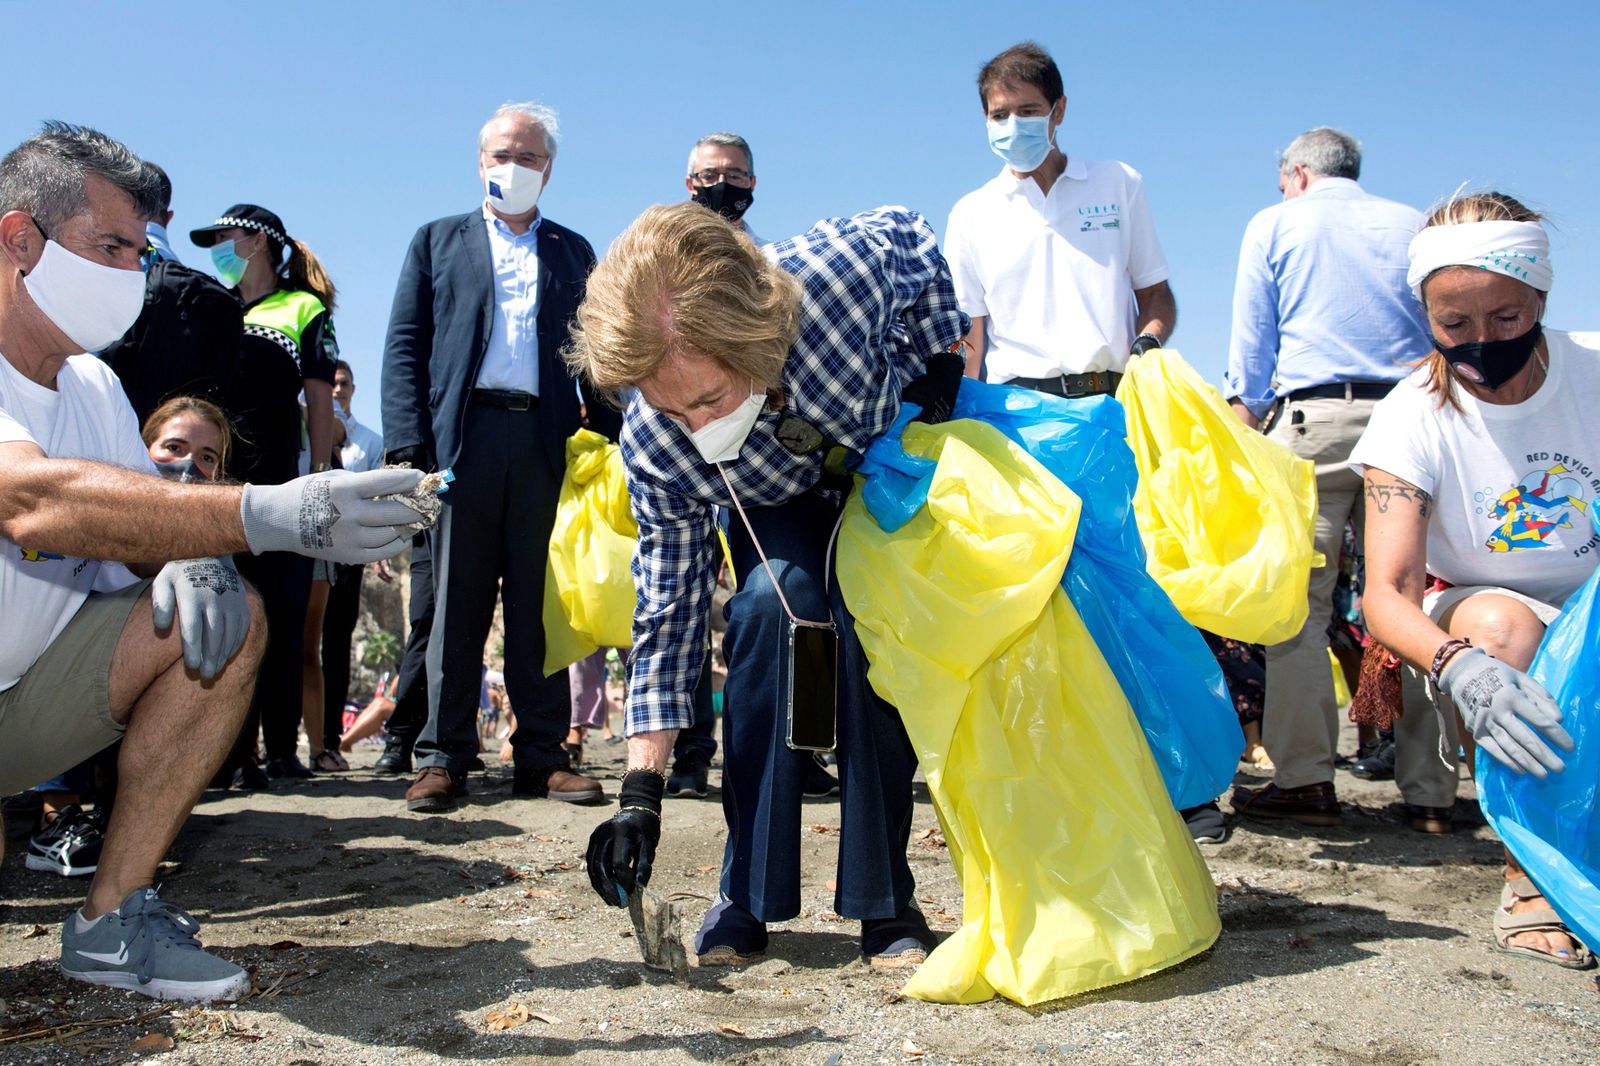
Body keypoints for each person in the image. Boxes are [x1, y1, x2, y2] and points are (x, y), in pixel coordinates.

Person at [0, 122, 425, 1001]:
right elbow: (27, 499)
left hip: (23, 704)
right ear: (19, 240)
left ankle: (112, 921)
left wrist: (186, 555)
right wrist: (269, 512)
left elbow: (135, 526)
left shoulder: (94, 386)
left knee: (225, 620)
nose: (134, 272)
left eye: (138, 248)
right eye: (111, 247)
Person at [570, 200, 967, 969]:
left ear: (755, 341)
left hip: (881, 467)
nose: (691, 425)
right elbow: (669, 610)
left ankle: (886, 902)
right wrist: (640, 795)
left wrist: (941, 358)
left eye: (709, 399)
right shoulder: (658, 446)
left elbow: (908, 232)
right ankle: (745, 892)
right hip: (771, 509)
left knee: (863, 626)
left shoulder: (841, 280)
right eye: (666, 405)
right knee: (764, 609)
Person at [1352, 191, 1594, 969]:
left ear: (1541, 300)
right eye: (1455, 326)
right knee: (1501, 632)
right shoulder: (1411, 416)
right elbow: (1385, 591)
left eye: (1507, 320)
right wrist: (1462, 668)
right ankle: (1529, 874)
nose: (1482, 343)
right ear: (1426, 315)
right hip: (1485, 608)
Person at [382, 101, 620, 812]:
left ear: (549, 168)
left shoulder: (574, 252)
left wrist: (607, 436)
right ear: (479, 161)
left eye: (528, 157)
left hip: (545, 441)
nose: (513, 168)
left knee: (539, 604)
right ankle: (441, 757)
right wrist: (406, 446)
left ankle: (542, 755)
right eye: (500, 155)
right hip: (461, 441)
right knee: (453, 602)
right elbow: (404, 347)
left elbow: (598, 354)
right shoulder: (435, 241)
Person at [1224, 128, 1439, 829]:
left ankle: (1306, 781)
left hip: (1314, 425)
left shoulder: (1276, 223)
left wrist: (1242, 426)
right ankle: (1432, 794)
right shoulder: (1412, 224)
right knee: (1406, 599)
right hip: (1408, 421)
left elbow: (1252, 349)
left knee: (1300, 612)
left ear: (1296, 174)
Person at [23, 394, 234, 879]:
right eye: (174, 447)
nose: (189, 465)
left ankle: (132, 819)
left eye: (207, 457)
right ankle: (57, 815)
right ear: (140, 450)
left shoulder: (208, 539)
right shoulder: (88, 500)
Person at [189, 202, 340, 783]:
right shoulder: (213, 306)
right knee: (226, 610)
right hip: (215, 482)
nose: (217, 249)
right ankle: (229, 754)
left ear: (257, 241)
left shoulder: (304, 308)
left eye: (225, 237)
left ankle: (280, 749)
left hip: (280, 479)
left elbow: (320, 399)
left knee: (278, 613)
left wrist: (321, 474)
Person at [944, 41, 1176, 391]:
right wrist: (953, 408)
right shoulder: (970, 214)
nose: (1014, 125)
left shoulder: (1118, 183)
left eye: (1028, 111)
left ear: (1059, 110)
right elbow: (970, 339)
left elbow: (1156, 294)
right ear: (985, 119)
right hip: (1016, 417)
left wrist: (1148, 344)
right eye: (1000, 115)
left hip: (1114, 405)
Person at [319, 358, 391, 768]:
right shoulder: (308, 427)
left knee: (337, 645)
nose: (337, 389)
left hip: (348, 556)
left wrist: (378, 552)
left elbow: (377, 501)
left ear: (353, 388)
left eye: (343, 382)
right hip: (309, 547)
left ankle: (329, 737)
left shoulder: (369, 442)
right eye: (331, 383)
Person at [686, 132, 762, 244]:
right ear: (690, 184)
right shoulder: (662, 254)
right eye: (709, 176)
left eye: (734, 176)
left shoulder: (774, 258)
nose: (722, 183)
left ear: (752, 183)